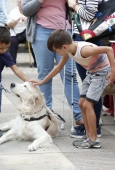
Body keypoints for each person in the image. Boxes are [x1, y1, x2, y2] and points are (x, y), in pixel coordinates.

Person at [30, 29, 115, 148]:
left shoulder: (84, 50)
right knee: (81, 103)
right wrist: (42, 81)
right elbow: (58, 68)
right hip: (91, 73)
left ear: (64, 47)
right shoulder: (69, 51)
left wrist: (113, 70)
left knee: (87, 105)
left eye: (56, 51)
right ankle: (88, 135)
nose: (57, 54)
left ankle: (94, 139)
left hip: (101, 73)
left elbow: (108, 49)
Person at [21, 0, 84, 130]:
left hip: (64, 32)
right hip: (41, 32)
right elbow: (26, 10)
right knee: (44, 75)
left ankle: (78, 116)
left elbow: (78, 5)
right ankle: (46, 117)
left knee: (70, 75)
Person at [67, 0, 103, 138]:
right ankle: (90, 126)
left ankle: (94, 129)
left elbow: (89, 15)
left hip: (88, 38)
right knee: (89, 85)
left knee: (93, 87)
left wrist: (74, 4)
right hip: (84, 37)